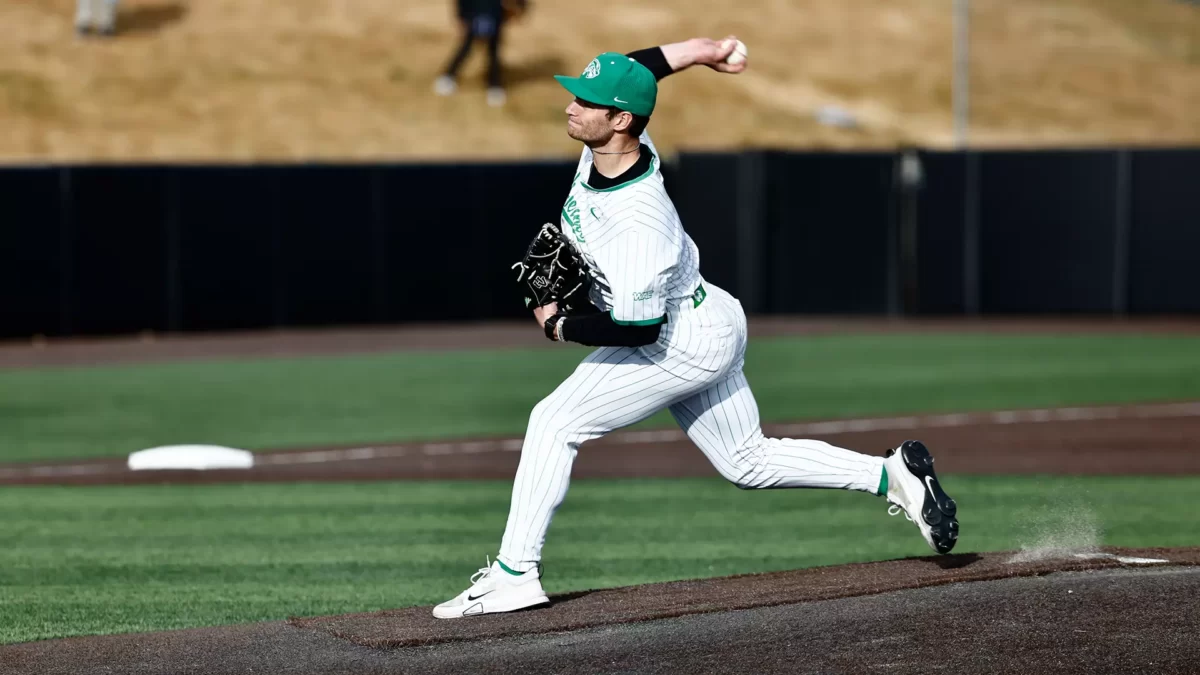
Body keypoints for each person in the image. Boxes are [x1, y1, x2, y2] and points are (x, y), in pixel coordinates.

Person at [432, 37, 960, 619]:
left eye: (585, 101)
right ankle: (891, 476)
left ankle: (515, 574)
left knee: (553, 423)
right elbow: (638, 69)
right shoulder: (614, 147)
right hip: (711, 317)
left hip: (675, 343)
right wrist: (703, 49)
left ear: (620, 120)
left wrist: (559, 324)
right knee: (747, 462)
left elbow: (637, 328)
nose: (571, 106)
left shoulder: (639, 219)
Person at [434, 0, 526, 107]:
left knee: (493, 51)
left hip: (495, 13)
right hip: (476, 11)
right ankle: (448, 77)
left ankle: (494, 85)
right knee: (467, 46)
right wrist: (461, 16)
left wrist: (520, 7)